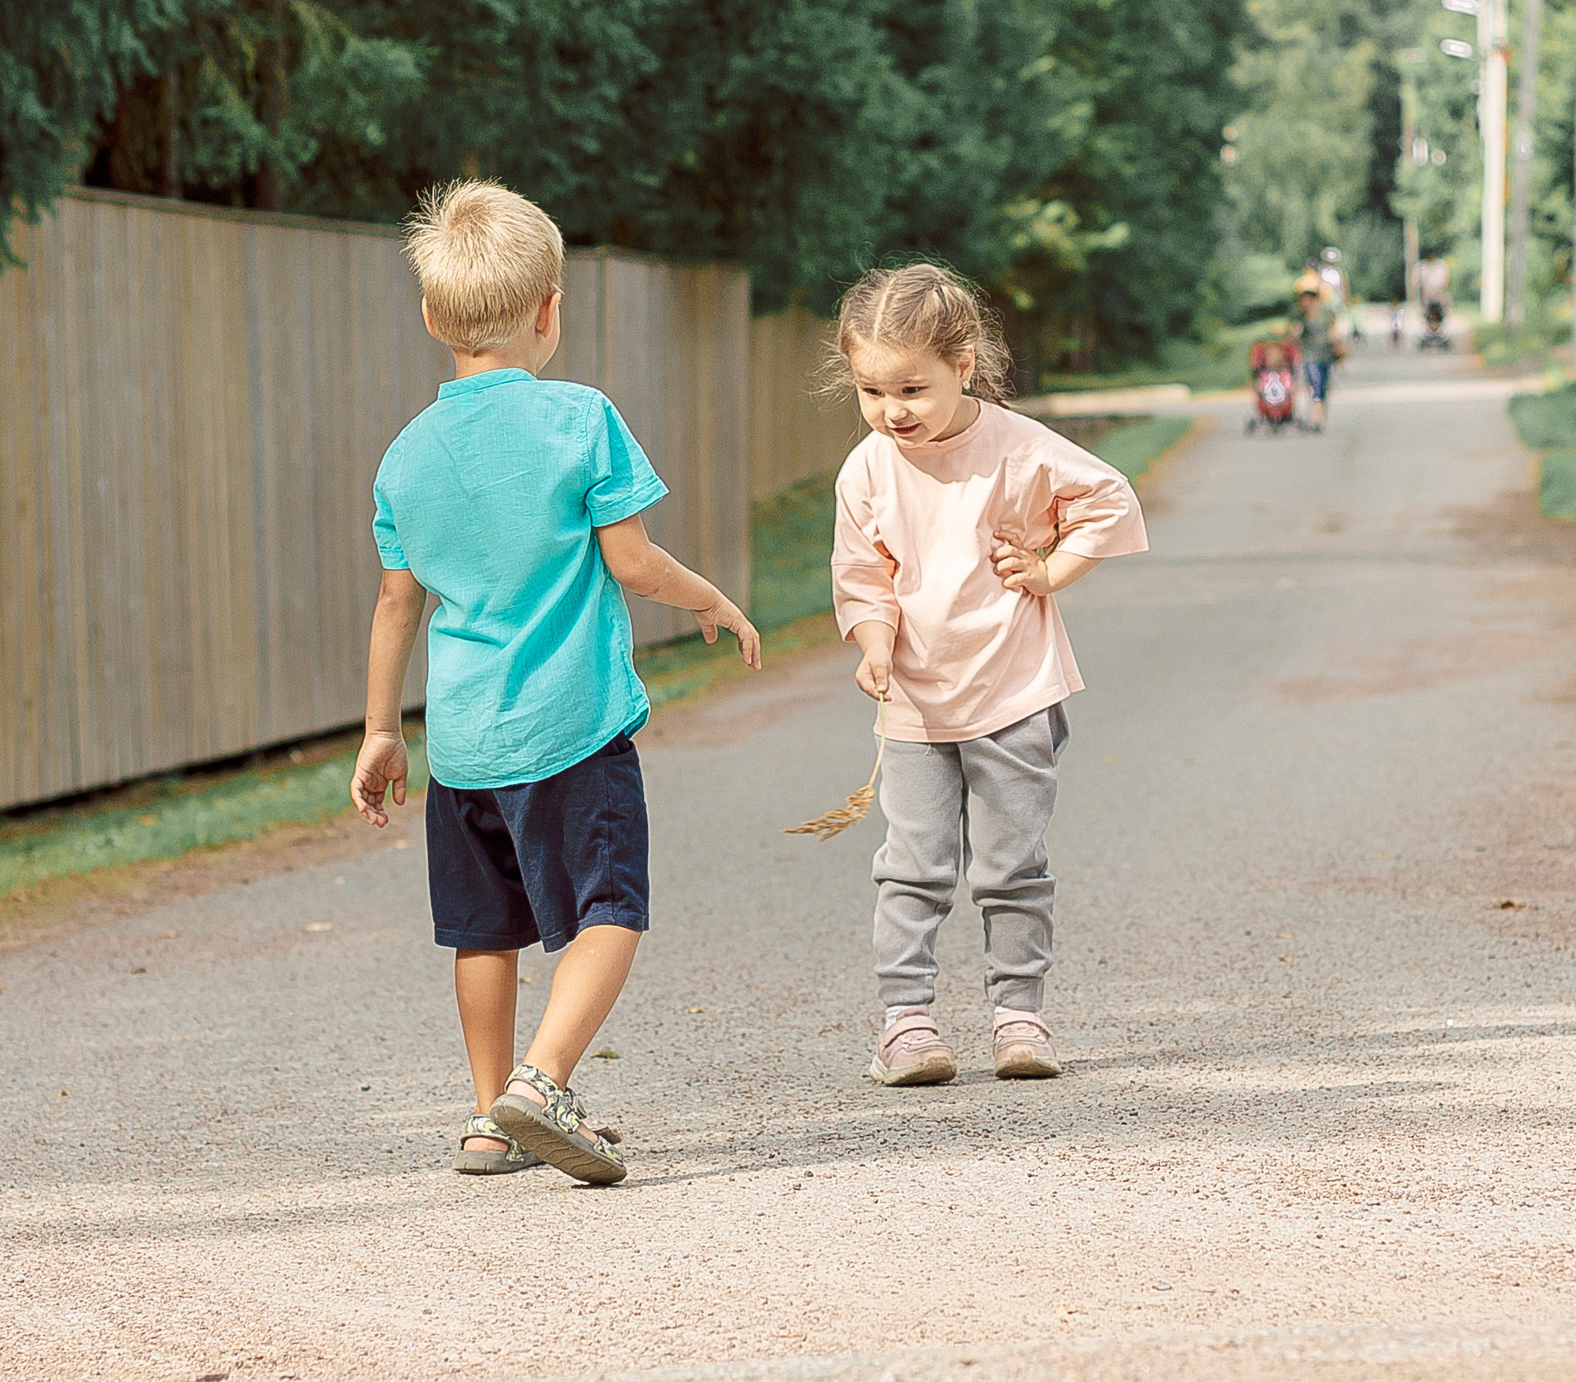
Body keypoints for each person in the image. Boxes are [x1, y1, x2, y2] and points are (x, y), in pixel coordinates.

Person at [350, 179, 761, 1184]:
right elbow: (632, 561)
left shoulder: (406, 458)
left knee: (483, 932)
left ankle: (490, 1119)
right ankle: (544, 1080)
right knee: (610, 907)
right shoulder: (581, 419)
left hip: (465, 743)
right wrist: (711, 599)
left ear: (432, 317)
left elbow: (397, 606)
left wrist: (379, 732)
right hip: (572, 728)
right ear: (548, 310)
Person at [828, 264, 1148, 1087]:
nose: (892, 410)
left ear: (963, 364)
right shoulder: (866, 471)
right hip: (917, 705)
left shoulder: (1016, 447)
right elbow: (863, 575)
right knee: (914, 864)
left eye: (911, 388)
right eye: (871, 390)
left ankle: (1019, 1017)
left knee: (1011, 865)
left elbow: (1108, 499)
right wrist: (872, 642)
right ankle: (906, 1022)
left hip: (1013, 690)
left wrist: (1051, 567)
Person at [1294, 285, 1346, 428]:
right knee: (1314, 385)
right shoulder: (1301, 316)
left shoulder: (1326, 313)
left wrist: (1337, 343)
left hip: (1325, 354)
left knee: (1322, 386)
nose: (1304, 303)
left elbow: (1333, 330)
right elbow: (1294, 335)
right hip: (1310, 356)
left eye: (1307, 299)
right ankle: (1316, 418)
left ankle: (1320, 415)